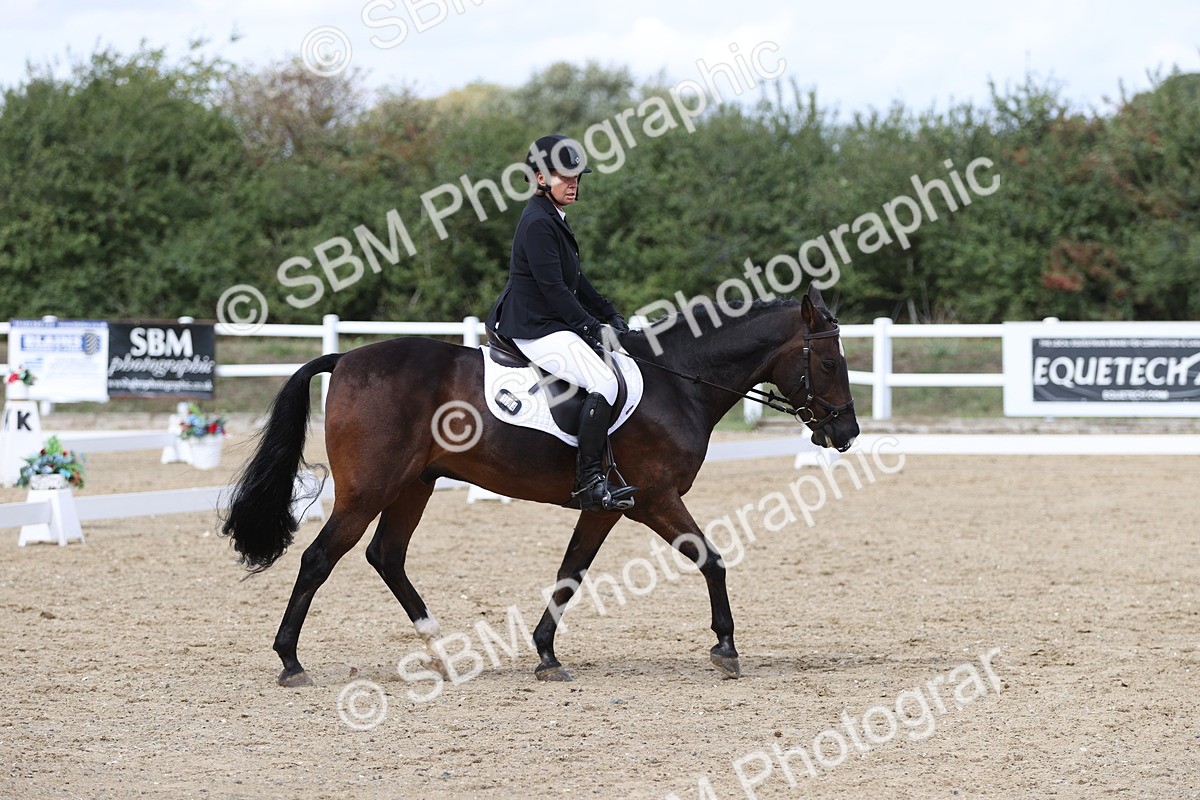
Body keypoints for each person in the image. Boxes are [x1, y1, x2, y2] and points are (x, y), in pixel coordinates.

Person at [485, 134, 636, 512]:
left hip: (551, 322)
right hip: (534, 326)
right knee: (603, 381)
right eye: (564, 177)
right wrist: (591, 328)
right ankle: (589, 482)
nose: (573, 183)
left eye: (577, 177)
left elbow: (576, 280)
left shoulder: (554, 218)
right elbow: (554, 289)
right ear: (540, 178)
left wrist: (608, 311)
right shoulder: (538, 222)